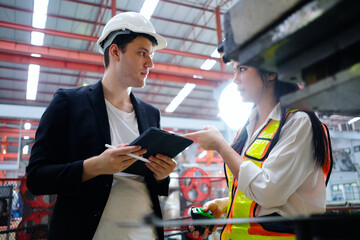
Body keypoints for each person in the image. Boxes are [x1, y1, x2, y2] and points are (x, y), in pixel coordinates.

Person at [26, 12, 176, 240]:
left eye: (152, 55)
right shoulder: (68, 103)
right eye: (142, 53)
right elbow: (37, 177)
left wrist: (162, 175)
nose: (151, 63)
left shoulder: (150, 114)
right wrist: (95, 166)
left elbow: (154, 186)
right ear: (115, 51)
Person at [183, 57, 333, 239]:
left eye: (242, 69)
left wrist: (221, 146)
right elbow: (256, 192)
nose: (235, 78)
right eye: (234, 71)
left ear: (270, 73)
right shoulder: (246, 130)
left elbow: (269, 193)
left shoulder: (299, 123)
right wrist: (226, 205)